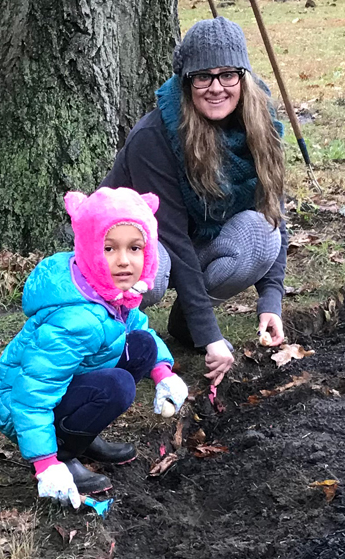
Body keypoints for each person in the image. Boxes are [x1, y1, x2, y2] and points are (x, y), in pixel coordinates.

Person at [101, 17, 287, 387]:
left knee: (263, 235)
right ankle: (107, 340)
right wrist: (213, 337)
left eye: (227, 75)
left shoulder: (260, 123)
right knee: (149, 276)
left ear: (243, 77)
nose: (216, 87)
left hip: (195, 243)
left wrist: (271, 299)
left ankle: (187, 322)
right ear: (186, 81)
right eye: (203, 76)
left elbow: (272, 209)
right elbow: (171, 237)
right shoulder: (154, 137)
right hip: (142, 244)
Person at [0, 187, 188, 508]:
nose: (124, 261)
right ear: (90, 247)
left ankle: (83, 436)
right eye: (109, 248)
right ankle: (64, 453)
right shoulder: (75, 321)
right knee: (117, 386)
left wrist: (163, 373)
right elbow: (32, 394)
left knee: (142, 345)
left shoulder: (112, 290)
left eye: (135, 248)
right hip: (19, 404)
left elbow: (139, 327)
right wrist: (45, 464)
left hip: (65, 385)